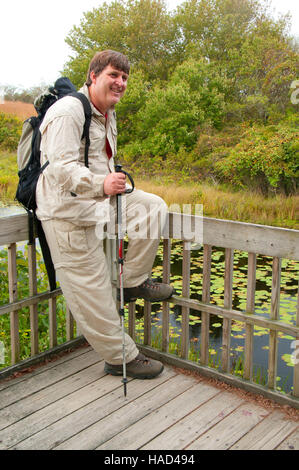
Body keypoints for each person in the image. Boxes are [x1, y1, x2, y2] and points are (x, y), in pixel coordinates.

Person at [35, 50, 174, 379]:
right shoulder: (68, 111)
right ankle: (119, 358)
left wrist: (109, 181)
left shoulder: (107, 113)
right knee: (93, 291)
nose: (121, 82)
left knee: (153, 207)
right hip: (67, 214)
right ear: (93, 76)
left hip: (98, 201)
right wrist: (101, 182)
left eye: (125, 77)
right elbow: (60, 169)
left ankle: (131, 282)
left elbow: (97, 160)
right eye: (114, 75)